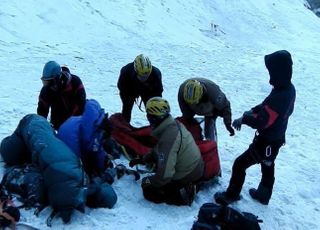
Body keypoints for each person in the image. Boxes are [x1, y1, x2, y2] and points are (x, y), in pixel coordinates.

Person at [214, 50, 296, 205]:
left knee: (239, 164)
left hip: (266, 142)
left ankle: (231, 195)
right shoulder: (287, 89)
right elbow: (266, 104)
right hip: (276, 139)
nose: (270, 74)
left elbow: (262, 122)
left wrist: (244, 118)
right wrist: (254, 110)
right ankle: (264, 195)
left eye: (271, 71)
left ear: (278, 72)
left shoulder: (280, 96)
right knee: (267, 164)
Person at [130, 97, 204, 205]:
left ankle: (183, 195)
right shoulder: (173, 125)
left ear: (153, 118)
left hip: (188, 174)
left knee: (149, 191)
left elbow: (164, 176)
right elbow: (160, 150)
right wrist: (144, 159)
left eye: (149, 115)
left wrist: (147, 181)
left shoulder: (168, 138)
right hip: (197, 165)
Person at [37, 61, 86, 130]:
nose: (48, 85)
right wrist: (42, 127)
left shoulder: (75, 83)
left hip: (76, 124)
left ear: (58, 79)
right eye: (45, 82)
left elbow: (80, 105)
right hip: (57, 126)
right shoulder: (47, 89)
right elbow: (42, 110)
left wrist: (70, 125)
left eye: (50, 82)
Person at [117, 54, 163, 123]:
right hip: (129, 90)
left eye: (147, 76)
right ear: (136, 72)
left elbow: (158, 93)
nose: (144, 78)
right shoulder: (126, 72)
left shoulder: (156, 74)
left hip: (148, 90)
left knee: (154, 112)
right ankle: (125, 128)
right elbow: (122, 89)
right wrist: (130, 97)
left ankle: (156, 128)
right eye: (142, 76)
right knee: (127, 109)